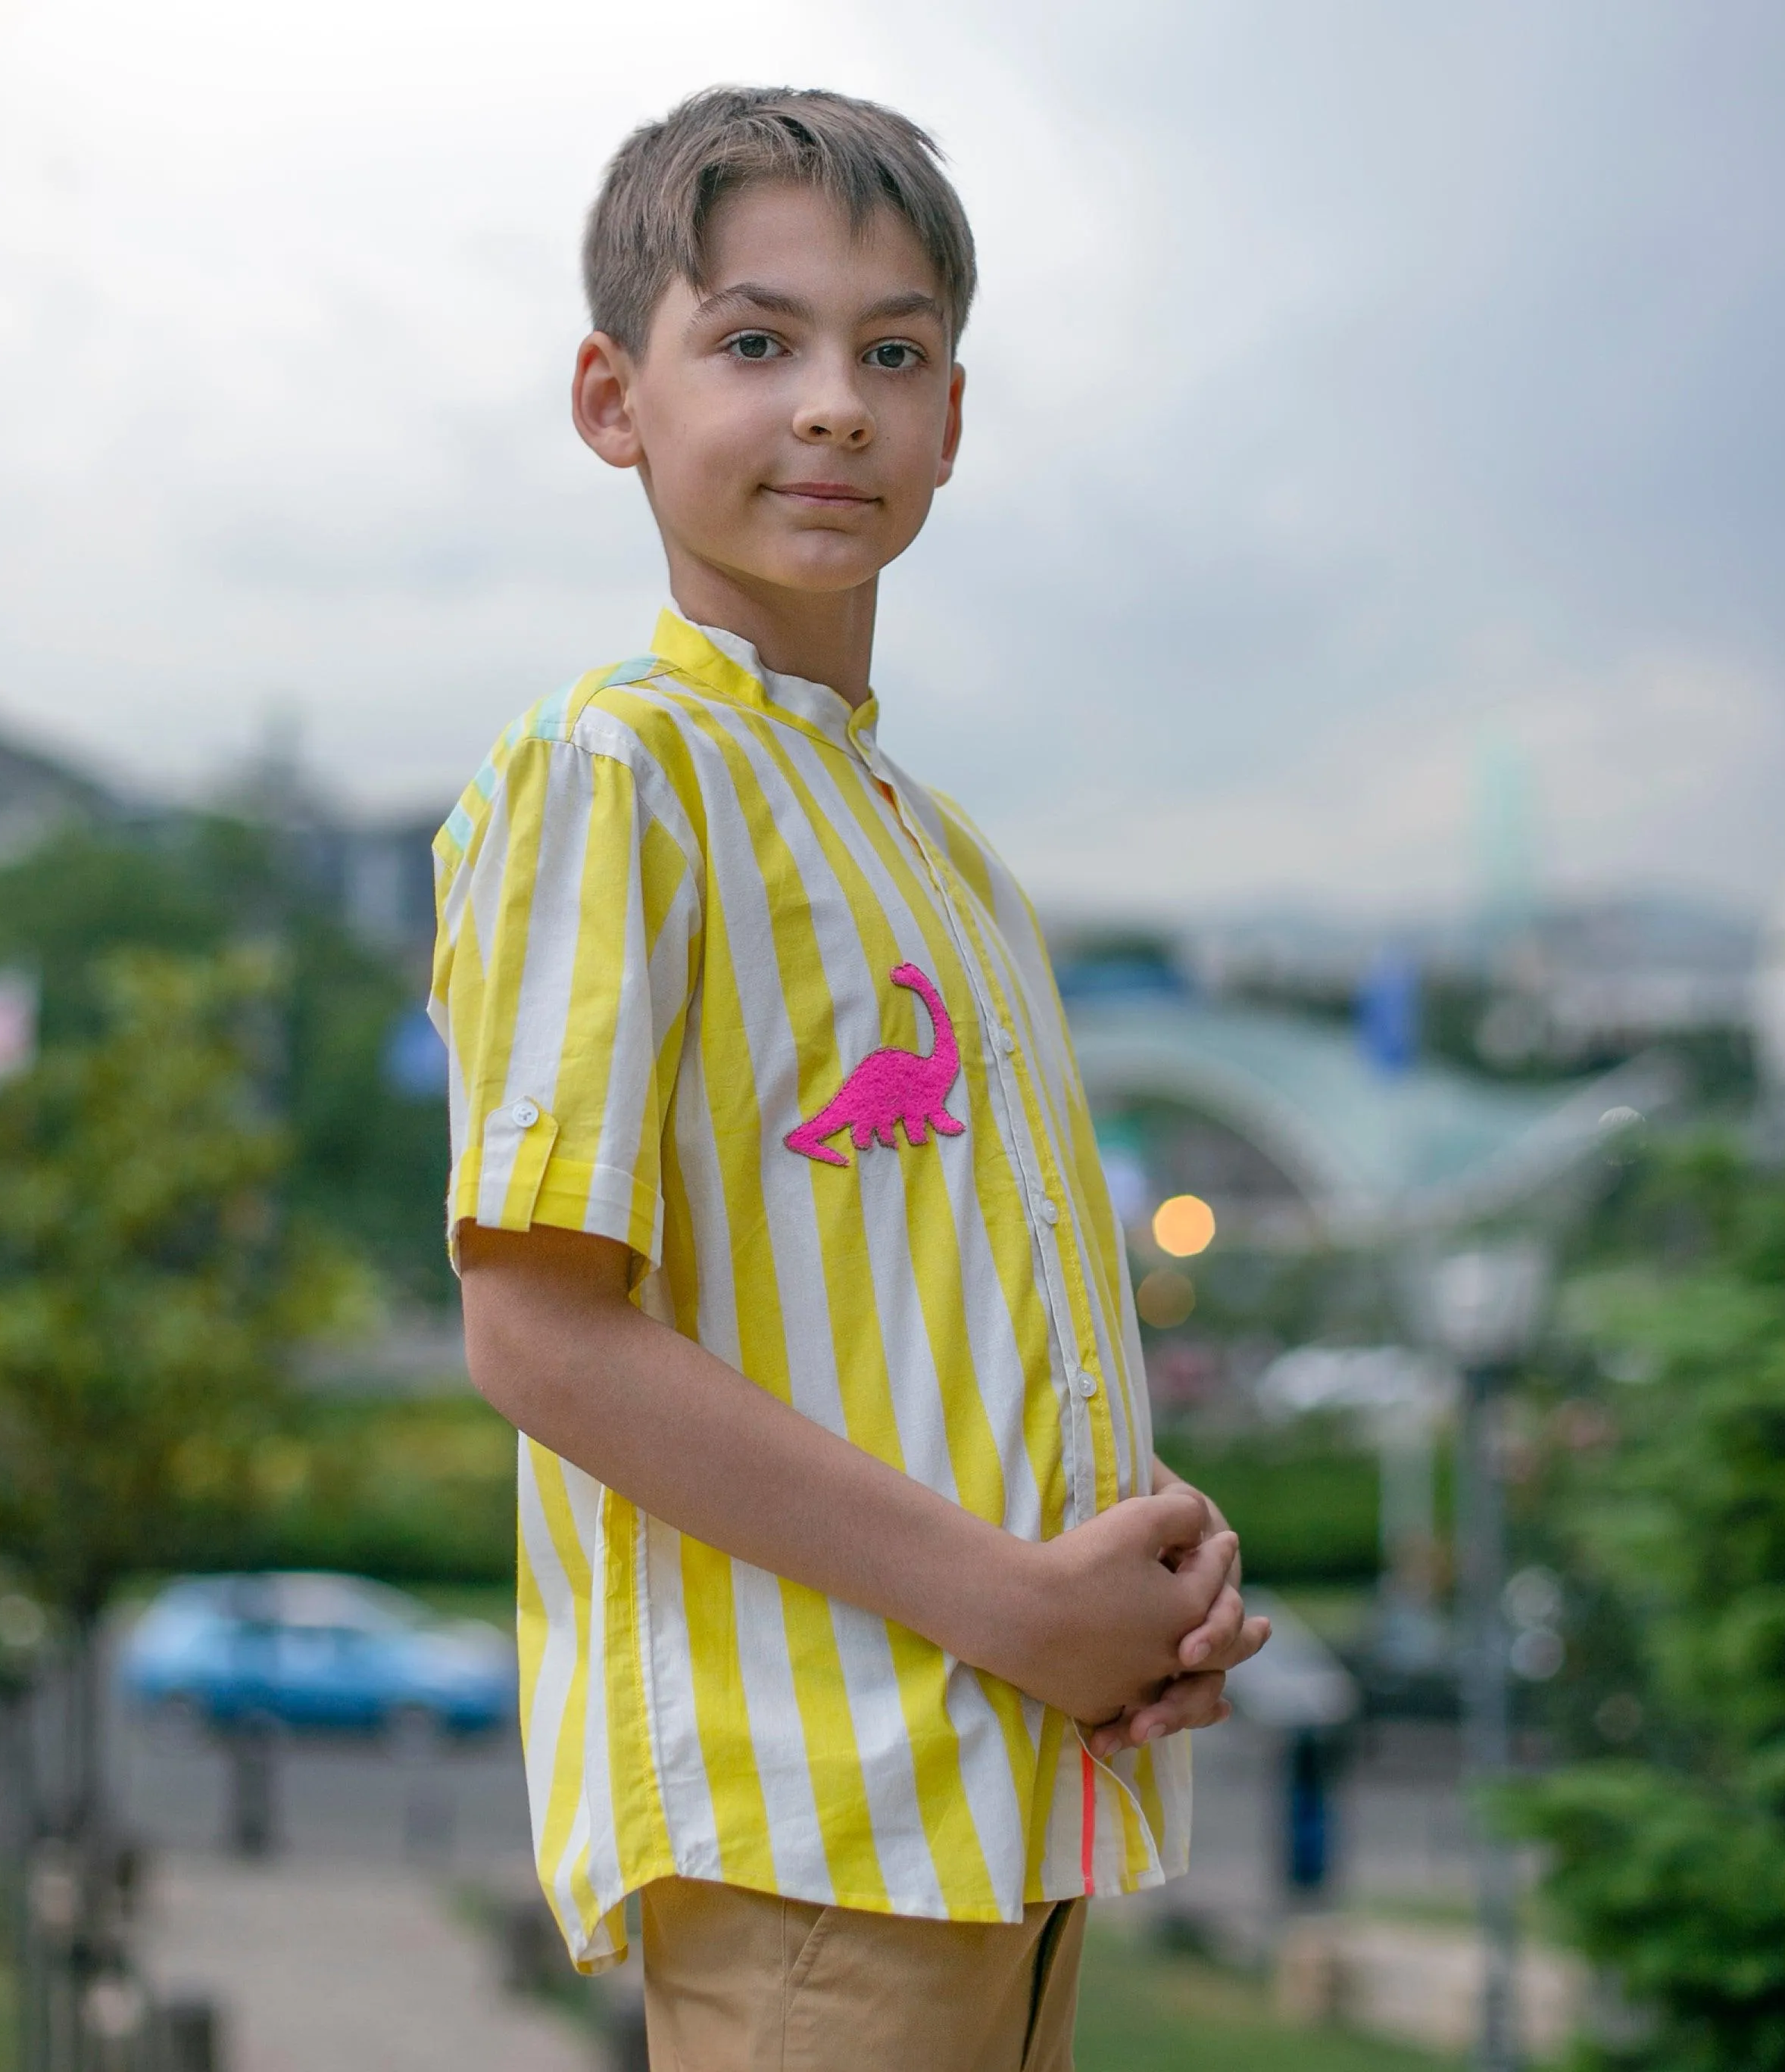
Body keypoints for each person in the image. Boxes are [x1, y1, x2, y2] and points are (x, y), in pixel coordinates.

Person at [431, 86, 1270, 2072]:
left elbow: (940, 1320)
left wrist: (1143, 1551)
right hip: (815, 1824)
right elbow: (538, 1332)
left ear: (954, 424)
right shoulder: (614, 774)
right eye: (755, 340)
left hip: (1018, 1814)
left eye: (895, 353)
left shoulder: (943, 854)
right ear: (610, 398)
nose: (833, 405)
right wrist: (1008, 1600)